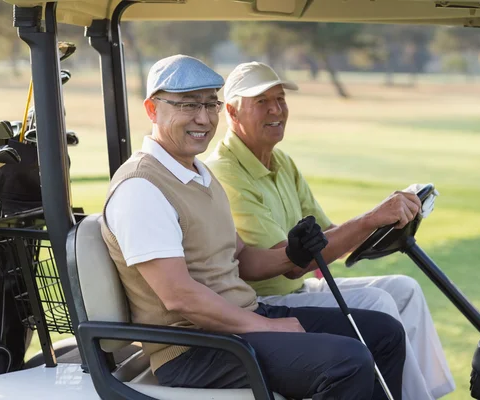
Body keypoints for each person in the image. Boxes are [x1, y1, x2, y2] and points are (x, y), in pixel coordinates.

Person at [99, 54, 408, 400]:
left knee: (384, 333)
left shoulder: (198, 174)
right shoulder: (142, 188)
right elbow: (179, 296)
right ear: (153, 110)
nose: (203, 117)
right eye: (187, 105)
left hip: (238, 322)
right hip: (193, 349)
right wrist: (267, 326)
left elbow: (241, 258)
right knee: (347, 363)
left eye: (209, 104)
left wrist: (292, 254)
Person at [205, 61, 456, 399]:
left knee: (404, 288)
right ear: (233, 114)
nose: (276, 109)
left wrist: (386, 221)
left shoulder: (282, 162)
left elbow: (328, 233)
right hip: (264, 301)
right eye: (262, 102)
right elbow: (294, 263)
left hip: (298, 290)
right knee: (378, 302)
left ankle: (426, 394)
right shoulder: (226, 172)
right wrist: (371, 219)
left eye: (280, 99)